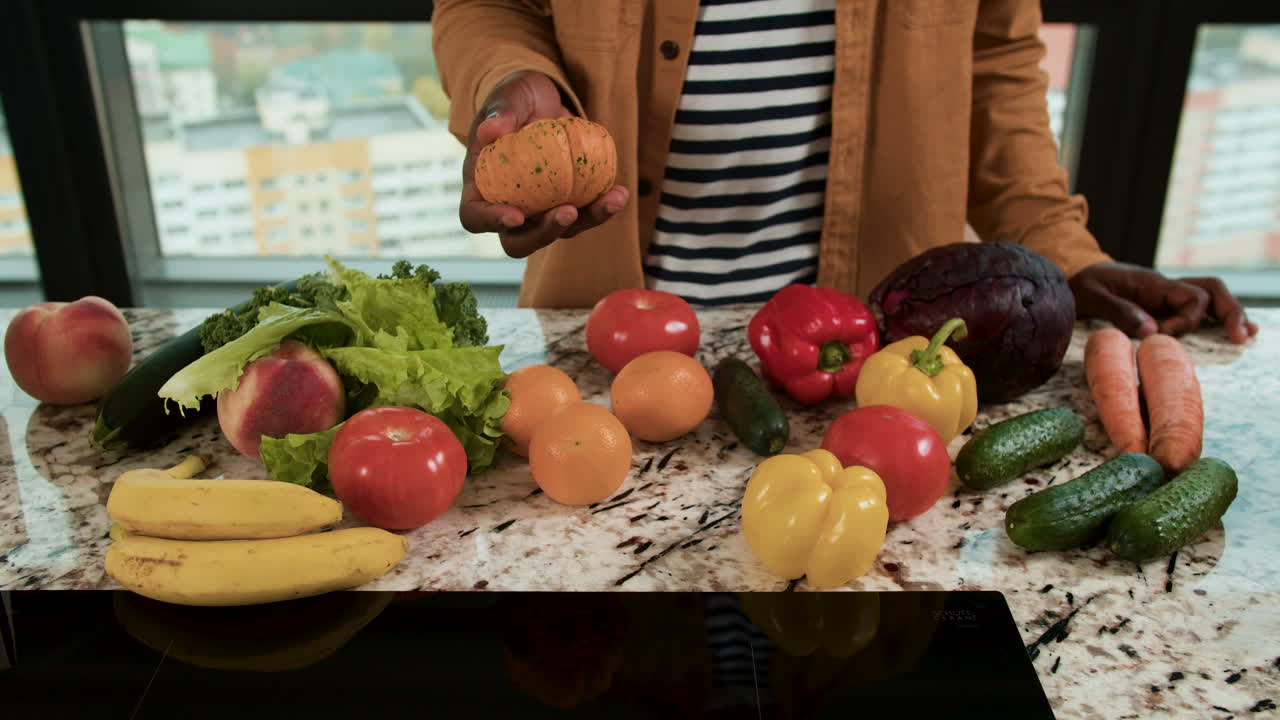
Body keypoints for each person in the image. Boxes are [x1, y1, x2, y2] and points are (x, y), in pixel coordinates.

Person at [432, 0, 1258, 344]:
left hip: (878, 339)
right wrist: (502, 83)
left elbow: (996, 57)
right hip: (606, 327)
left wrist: (1064, 255)